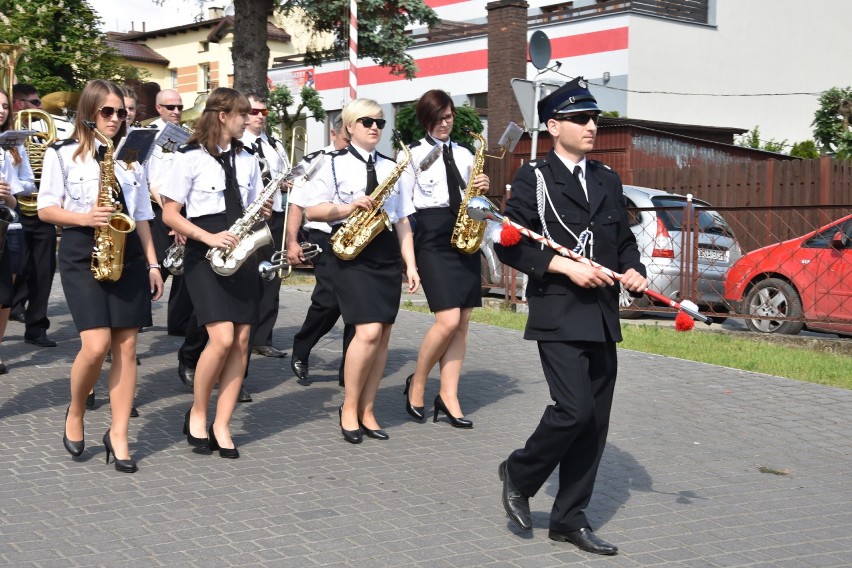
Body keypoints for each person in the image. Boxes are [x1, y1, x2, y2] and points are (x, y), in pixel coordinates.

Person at [494, 77, 647, 554]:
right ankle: (519, 473)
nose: (591, 126)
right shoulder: (533, 177)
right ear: (554, 125)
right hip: (559, 312)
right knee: (573, 410)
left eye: (594, 117)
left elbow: (623, 240)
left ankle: (569, 518)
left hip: (602, 315)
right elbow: (509, 242)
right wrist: (563, 267)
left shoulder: (606, 178)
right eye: (580, 118)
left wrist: (633, 270)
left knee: (595, 421)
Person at [38, 79, 164, 473]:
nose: (115, 119)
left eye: (121, 112)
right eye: (107, 112)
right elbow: (44, 209)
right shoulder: (62, 154)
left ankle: (119, 433)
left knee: (127, 348)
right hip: (81, 251)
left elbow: (142, 216)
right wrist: (82, 217)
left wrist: (153, 263)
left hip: (126, 254)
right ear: (89, 113)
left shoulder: (132, 157)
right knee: (95, 347)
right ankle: (76, 411)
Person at [160, 87, 268, 459]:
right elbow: (170, 213)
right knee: (221, 339)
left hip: (242, 252)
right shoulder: (188, 158)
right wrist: (207, 237)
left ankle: (223, 423)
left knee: (241, 342)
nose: (248, 120)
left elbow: (252, 205)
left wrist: (264, 212)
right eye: (243, 114)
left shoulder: (249, 158)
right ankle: (198, 411)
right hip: (204, 254)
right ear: (224, 116)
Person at [304, 98, 419, 444]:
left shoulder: (391, 166)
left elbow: (402, 220)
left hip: (384, 255)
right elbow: (312, 209)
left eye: (380, 123)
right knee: (366, 332)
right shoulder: (331, 163)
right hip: (350, 254)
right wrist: (345, 207)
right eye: (367, 122)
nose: (375, 128)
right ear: (350, 127)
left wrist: (410, 265)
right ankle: (349, 406)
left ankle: (369, 408)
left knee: (382, 335)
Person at [399, 89, 489, 428]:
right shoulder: (410, 156)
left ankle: (449, 395)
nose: (444, 124)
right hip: (432, 238)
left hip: (464, 234)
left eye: (448, 117)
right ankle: (418, 381)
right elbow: (403, 211)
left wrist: (482, 185)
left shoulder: (466, 154)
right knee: (448, 320)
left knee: (463, 321)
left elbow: (477, 203)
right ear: (426, 120)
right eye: (438, 119)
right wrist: (409, 262)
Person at [287, 117, 352, 385]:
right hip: (324, 237)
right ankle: (302, 348)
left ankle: (349, 369)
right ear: (334, 133)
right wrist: (291, 241)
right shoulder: (315, 161)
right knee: (328, 301)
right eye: (347, 138)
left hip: (357, 239)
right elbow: (296, 204)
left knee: (355, 306)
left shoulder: (367, 161)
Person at [10, 83, 58, 348]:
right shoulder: (6, 139)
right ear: (21, 104)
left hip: (40, 210)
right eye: (35, 102)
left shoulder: (40, 137)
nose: (41, 108)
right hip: (11, 211)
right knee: (11, 271)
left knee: (43, 270)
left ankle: (37, 326)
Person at [241, 92, 288, 359]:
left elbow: (283, 173)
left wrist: (286, 182)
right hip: (251, 218)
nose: (260, 116)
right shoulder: (239, 144)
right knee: (250, 277)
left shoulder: (273, 144)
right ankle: (246, 335)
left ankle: (263, 337)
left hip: (276, 214)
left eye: (264, 112)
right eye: (254, 111)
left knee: (272, 276)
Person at [146, 88, 193, 336]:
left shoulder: (185, 135)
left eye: (179, 107)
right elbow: (154, 183)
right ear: (159, 108)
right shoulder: (151, 135)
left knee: (183, 266)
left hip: (181, 209)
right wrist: (172, 218)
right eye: (171, 107)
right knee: (159, 264)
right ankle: (139, 315)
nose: (176, 112)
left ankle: (178, 322)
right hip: (160, 209)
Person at [0, 87, 26, 374]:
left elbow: (17, 196)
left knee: (5, 293)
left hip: (5, 222)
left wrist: (7, 196)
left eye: (6, 106)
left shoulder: (9, 147)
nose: (2, 110)